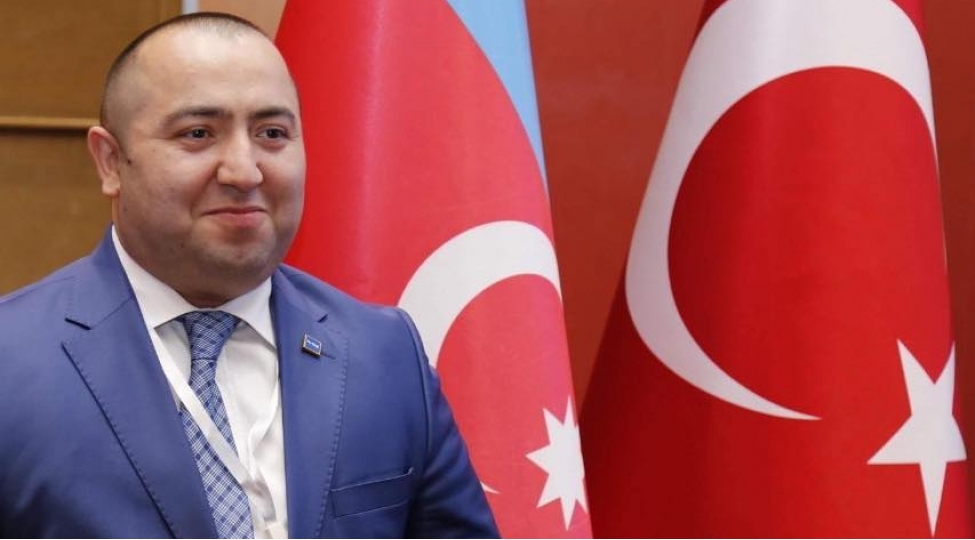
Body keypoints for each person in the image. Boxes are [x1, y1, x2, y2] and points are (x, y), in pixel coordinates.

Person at [0, 11, 498, 539]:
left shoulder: (384, 354)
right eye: (198, 134)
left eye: (272, 134)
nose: (245, 171)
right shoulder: (13, 360)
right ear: (110, 162)